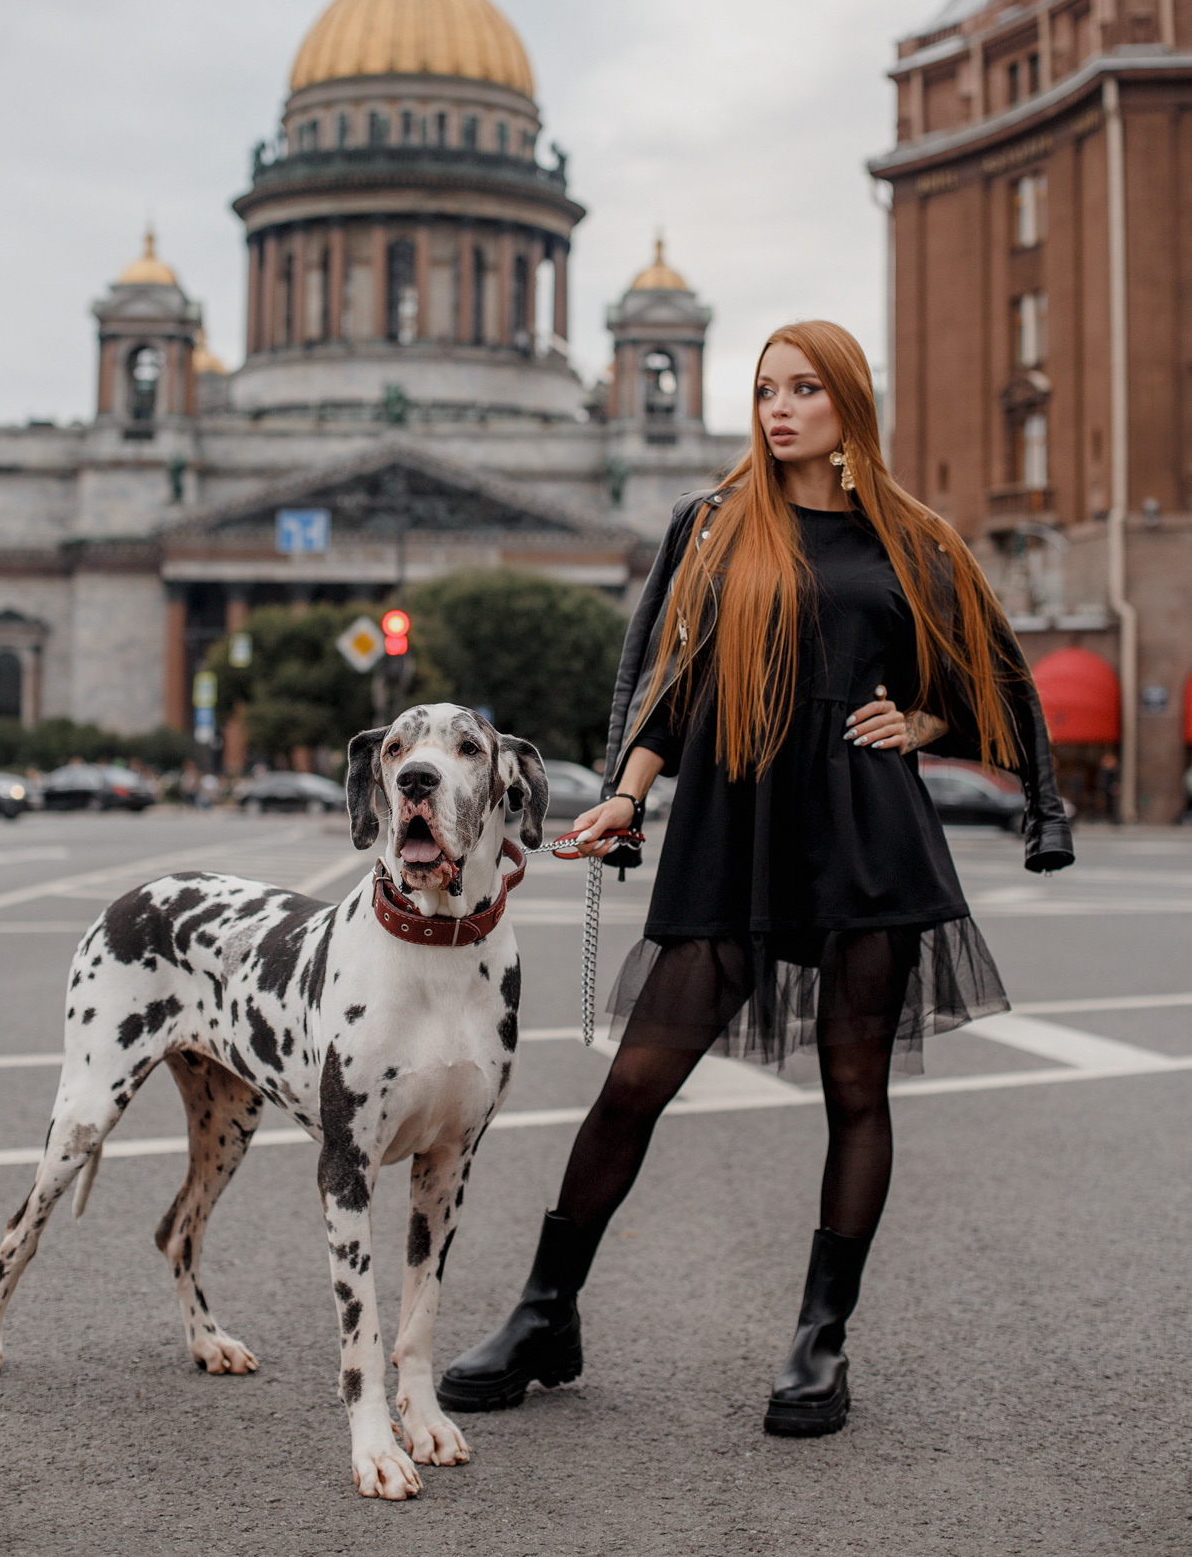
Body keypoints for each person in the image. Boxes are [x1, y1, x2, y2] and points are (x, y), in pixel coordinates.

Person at [438, 319, 1073, 1438]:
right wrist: (628, 792)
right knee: (636, 1080)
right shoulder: (717, 521)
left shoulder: (911, 536)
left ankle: (819, 1341)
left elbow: (988, 670)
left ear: (848, 405)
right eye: (766, 388)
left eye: (804, 389)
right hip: (729, 824)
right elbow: (671, 684)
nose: (778, 408)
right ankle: (545, 1312)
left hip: (862, 831)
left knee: (855, 1092)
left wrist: (924, 716)